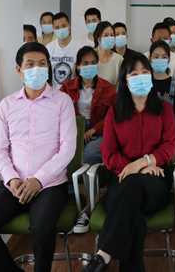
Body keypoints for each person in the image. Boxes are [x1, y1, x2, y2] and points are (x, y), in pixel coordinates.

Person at [0, 42, 76, 272]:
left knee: (42, 229)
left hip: (50, 185)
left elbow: (68, 149)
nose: (37, 69)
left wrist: (38, 179)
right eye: (30, 64)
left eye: (42, 64)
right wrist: (12, 179)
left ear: (49, 68)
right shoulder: (7, 105)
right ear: (18, 70)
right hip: (15, 185)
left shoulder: (62, 102)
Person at [83, 52, 175, 272]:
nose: (141, 77)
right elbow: (108, 154)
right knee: (133, 214)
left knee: (129, 194)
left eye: (145, 72)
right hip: (122, 180)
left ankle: (103, 254)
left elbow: (169, 145)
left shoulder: (164, 109)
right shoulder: (115, 112)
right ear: (125, 80)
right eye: (134, 74)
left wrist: (143, 162)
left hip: (156, 182)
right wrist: (137, 168)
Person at [61, 46, 117, 233]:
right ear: (78, 66)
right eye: (85, 63)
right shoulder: (67, 87)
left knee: (88, 155)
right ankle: (72, 199)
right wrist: (77, 131)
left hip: (99, 132)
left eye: (93, 63)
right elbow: (61, 112)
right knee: (67, 156)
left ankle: (87, 206)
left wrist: (93, 130)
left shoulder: (107, 88)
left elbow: (111, 116)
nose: (89, 66)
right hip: (74, 131)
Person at [149, 40, 175, 137]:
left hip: (171, 133)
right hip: (148, 132)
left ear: (169, 59)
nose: (160, 59)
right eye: (156, 57)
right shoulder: (144, 84)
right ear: (150, 58)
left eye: (164, 57)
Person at [47, 11, 82, 89]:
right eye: (57, 27)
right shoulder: (49, 48)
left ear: (69, 26)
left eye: (63, 26)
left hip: (73, 92)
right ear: (53, 29)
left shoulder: (79, 47)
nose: (61, 29)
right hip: (54, 93)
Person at [93, 21, 123, 86]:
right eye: (106, 35)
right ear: (99, 39)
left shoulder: (119, 59)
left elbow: (120, 85)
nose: (109, 38)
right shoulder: (89, 55)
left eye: (112, 35)